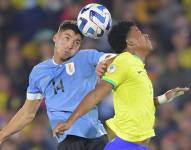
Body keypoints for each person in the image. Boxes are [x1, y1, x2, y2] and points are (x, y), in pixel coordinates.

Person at [53, 21, 190, 150]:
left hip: (138, 146)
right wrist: (69, 122)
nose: (146, 35)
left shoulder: (139, 68)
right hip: (126, 145)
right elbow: (96, 95)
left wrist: (164, 98)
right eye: (139, 33)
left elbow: (141, 105)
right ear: (130, 43)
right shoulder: (123, 62)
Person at [0, 20, 117, 150]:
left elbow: (117, 59)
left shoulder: (86, 57)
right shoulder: (39, 72)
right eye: (67, 38)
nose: (70, 45)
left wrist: (105, 63)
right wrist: (2, 135)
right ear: (55, 38)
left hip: (96, 137)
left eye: (76, 42)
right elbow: (28, 113)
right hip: (69, 140)